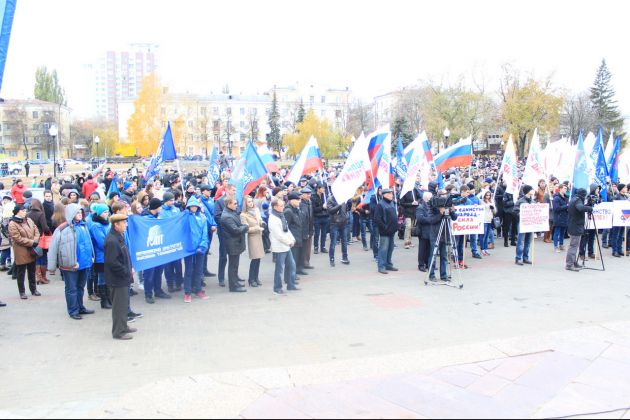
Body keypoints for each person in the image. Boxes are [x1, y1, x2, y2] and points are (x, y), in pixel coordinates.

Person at [48, 203, 95, 320]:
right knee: (71, 289)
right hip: (70, 264)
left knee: (80, 287)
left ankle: (80, 307)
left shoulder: (84, 225)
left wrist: (92, 256)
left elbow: (88, 242)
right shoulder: (62, 229)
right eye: (77, 212)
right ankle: (73, 310)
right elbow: (53, 248)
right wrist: (52, 267)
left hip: (84, 263)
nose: (80, 214)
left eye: (81, 212)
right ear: (71, 213)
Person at [104, 213, 136, 340]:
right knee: (119, 306)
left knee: (123, 304)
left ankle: (124, 326)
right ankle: (118, 332)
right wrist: (126, 271)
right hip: (117, 280)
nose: (126, 225)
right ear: (116, 225)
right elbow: (112, 263)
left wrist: (129, 268)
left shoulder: (118, 236)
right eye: (124, 223)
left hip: (123, 278)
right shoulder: (112, 240)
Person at [418, 198, 458, 281]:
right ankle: (431, 275)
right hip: (435, 235)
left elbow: (454, 218)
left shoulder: (448, 208)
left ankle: (443, 275)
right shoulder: (432, 208)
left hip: (445, 234)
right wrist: (440, 213)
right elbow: (431, 220)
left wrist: (452, 211)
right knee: (433, 256)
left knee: (444, 257)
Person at [141, 198, 170, 304]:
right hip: (149, 249)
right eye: (160, 206)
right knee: (149, 273)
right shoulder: (144, 218)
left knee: (159, 271)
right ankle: (148, 294)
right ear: (156, 207)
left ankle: (158, 290)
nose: (161, 208)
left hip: (159, 248)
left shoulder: (159, 216)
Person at [9, 204, 41, 299]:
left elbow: (36, 231)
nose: (25, 212)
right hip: (21, 251)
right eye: (23, 210)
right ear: (18, 212)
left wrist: (35, 240)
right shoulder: (12, 223)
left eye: (25, 210)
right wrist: (32, 242)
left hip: (32, 249)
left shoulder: (29, 220)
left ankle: (33, 289)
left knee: (32, 271)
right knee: (21, 273)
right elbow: (17, 238)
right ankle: (22, 292)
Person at [268, 197, 298, 295]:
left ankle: (291, 284)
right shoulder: (273, 219)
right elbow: (279, 235)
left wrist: (292, 239)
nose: (283, 207)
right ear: (275, 207)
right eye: (281, 206)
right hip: (279, 247)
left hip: (286, 246)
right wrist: (289, 242)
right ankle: (277, 288)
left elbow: (286, 229)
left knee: (292, 265)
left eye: (283, 205)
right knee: (279, 269)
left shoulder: (281, 216)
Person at [183, 196, 210, 303]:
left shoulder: (203, 217)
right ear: (188, 206)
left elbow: (205, 233)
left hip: (200, 248)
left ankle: (198, 289)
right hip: (189, 249)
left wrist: (202, 246)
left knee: (199, 270)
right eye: (191, 206)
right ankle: (187, 292)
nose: (193, 207)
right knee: (188, 271)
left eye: (195, 206)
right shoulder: (185, 217)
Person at [219, 196, 248, 293]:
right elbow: (236, 230)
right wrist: (245, 227)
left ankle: (235, 282)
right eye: (235, 203)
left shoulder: (231, 212)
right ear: (228, 204)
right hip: (232, 243)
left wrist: (242, 226)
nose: (237, 205)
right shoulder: (226, 216)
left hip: (235, 242)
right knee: (233, 266)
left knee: (235, 265)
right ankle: (233, 286)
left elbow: (238, 226)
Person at [214, 184, 238, 288]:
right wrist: (229, 224)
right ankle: (221, 278)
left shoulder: (235, 200)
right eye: (233, 190)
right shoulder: (219, 201)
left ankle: (234, 276)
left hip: (234, 232)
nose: (234, 192)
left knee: (235, 255)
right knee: (223, 256)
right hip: (224, 232)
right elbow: (217, 216)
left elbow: (238, 213)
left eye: (235, 190)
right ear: (227, 190)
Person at [89, 203, 112, 309]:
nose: (107, 214)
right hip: (101, 257)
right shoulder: (95, 226)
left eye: (107, 212)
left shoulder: (108, 224)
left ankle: (109, 298)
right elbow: (102, 242)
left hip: (109, 254)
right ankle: (104, 300)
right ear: (99, 213)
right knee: (102, 278)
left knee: (108, 278)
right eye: (104, 212)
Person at [160, 192, 184, 293]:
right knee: (168, 265)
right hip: (167, 241)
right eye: (170, 200)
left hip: (176, 240)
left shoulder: (176, 209)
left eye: (173, 200)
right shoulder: (161, 211)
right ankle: (170, 284)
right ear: (165, 201)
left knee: (178, 264)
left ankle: (178, 282)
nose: (172, 202)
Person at [566, 188, 594, 271]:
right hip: (576, 226)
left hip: (573, 225)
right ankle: (569, 264)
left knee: (574, 245)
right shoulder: (578, 200)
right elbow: (580, 208)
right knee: (573, 246)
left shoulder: (574, 199)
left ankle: (573, 262)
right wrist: (589, 208)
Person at [241, 195, 265, 288]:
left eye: (251, 201)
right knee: (255, 259)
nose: (251, 203)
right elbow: (246, 229)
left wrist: (262, 222)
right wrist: (257, 227)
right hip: (253, 237)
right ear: (245, 204)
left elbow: (260, 220)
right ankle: (251, 279)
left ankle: (256, 277)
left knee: (259, 258)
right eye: (249, 202)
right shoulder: (243, 215)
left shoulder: (256, 210)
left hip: (259, 235)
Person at [26, 199, 52, 285]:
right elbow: (45, 228)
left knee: (36, 257)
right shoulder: (40, 214)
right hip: (41, 238)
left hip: (32, 239)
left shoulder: (28, 214)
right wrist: (49, 230)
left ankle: (38, 277)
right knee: (43, 257)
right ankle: (43, 277)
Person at [375, 188, 399, 274]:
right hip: (385, 231)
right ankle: (381, 266)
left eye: (392, 193)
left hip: (392, 230)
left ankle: (388, 264)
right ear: (385, 195)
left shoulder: (391, 203)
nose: (392, 195)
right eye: (390, 193)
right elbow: (377, 219)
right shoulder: (380, 204)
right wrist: (384, 227)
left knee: (390, 248)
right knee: (383, 249)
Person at [285, 192, 307, 274]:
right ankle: (291, 274)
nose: (299, 201)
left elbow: (301, 220)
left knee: (299, 255)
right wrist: (289, 239)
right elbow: (286, 226)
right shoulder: (288, 211)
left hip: (299, 235)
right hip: (293, 237)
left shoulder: (296, 209)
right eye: (297, 200)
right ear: (291, 200)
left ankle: (298, 269)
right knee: (293, 257)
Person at [326, 194, 350, 267]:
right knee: (333, 242)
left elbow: (347, 208)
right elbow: (331, 211)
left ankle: (345, 257)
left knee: (344, 241)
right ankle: (332, 259)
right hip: (334, 223)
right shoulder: (330, 199)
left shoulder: (343, 198)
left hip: (344, 223)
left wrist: (349, 202)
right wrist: (339, 205)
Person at [514, 185, 535, 266]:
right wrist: (521, 214)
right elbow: (515, 211)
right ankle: (518, 258)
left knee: (528, 241)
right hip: (522, 223)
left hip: (530, 223)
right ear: (527, 191)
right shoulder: (520, 201)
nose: (533, 190)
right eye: (531, 189)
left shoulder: (533, 201)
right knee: (521, 241)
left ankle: (525, 258)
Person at [415, 192, 433, 271]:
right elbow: (420, 219)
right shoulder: (420, 207)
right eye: (431, 198)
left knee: (429, 248)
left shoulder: (431, 206)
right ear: (427, 199)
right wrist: (431, 219)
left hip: (430, 230)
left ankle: (428, 263)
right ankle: (421, 264)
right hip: (423, 231)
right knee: (422, 248)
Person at [311, 183, 329, 254]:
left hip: (325, 216)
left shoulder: (325, 196)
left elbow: (327, 206)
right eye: (322, 188)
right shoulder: (313, 197)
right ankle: (316, 247)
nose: (324, 189)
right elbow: (314, 209)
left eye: (324, 188)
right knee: (317, 233)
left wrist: (327, 207)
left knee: (324, 233)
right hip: (317, 217)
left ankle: (323, 247)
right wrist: (322, 207)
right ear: (318, 189)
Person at [300, 187, 315, 270]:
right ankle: (302, 263)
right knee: (303, 247)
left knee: (308, 247)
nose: (309, 195)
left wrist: (311, 229)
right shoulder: (300, 203)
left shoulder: (309, 202)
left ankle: (306, 262)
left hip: (309, 228)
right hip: (303, 229)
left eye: (309, 194)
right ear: (302, 195)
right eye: (307, 194)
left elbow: (311, 216)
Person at [552, 184, 570, 253]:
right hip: (558, 217)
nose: (566, 190)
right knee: (557, 232)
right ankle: (555, 246)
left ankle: (561, 244)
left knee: (563, 232)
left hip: (565, 217)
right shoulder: (556, 198)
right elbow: (556, 208)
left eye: (566, 188)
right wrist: (566, 206)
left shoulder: (566, 197)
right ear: (560, 189)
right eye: (564, 188)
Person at [481, 191, 496, 256]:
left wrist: (493, 208)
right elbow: (480, 209)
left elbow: (495, 211)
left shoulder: (491, 201)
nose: (488, 196)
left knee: (487, 236)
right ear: (484, 195)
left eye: (489, 195)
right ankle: (482, 249)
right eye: (486, 195)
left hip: (490, 219)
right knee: (483, 235)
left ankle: (486, 249)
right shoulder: (481, 201)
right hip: (483, 220)